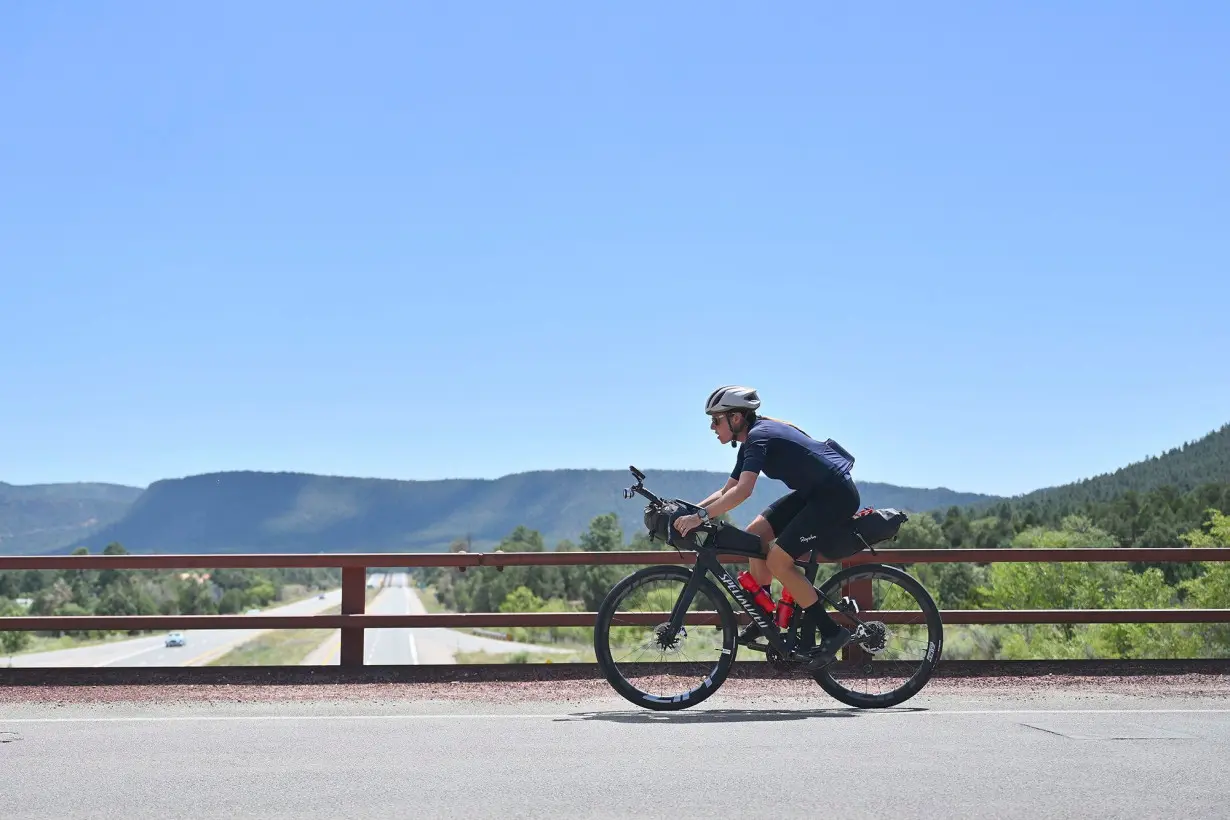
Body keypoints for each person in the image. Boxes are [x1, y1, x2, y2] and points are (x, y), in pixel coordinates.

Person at [673, 384, 858, 669]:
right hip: (814, 494)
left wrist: (700, 519)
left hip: (835, 497)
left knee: (778, 560)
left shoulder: (760, 436)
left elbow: (743, 492)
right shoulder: (751, 439)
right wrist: (688, 511)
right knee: (753, 536)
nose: (712, 426)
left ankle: (832, 632)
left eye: (715, 419)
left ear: (736, 418)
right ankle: (766, 618)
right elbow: (727, 490)